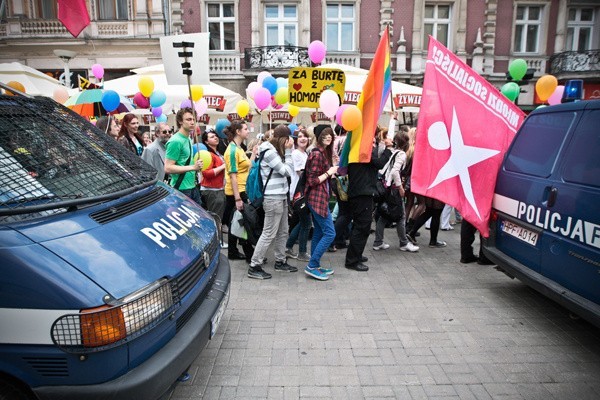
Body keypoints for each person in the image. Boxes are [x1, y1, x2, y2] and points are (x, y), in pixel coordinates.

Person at [248, 124, 296, 279]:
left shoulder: (274, 151)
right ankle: (255, 265)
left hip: (281, 196)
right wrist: (288, 152)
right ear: (282, 139)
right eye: (287, 140)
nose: (289, 143)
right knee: (269, 233)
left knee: (283, 231)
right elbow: (287, 171)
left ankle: (280, 261)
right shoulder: (269, 152)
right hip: (272, 198)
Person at [344, 127, 393, 272]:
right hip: (362, 194)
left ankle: (356, 255)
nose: (373, 143)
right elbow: (380, 163)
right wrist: (388, 148)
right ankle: (352, 261)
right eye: (371, 141)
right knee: (362, 227)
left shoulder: (357, 151)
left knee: (360, 226)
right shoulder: (362, 152)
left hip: (361, 193)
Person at [372, 132, 419, 253]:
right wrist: (400, 188)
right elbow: (394, 172)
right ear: (407, 143)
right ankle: (404, 243)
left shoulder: (393, 151)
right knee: (401, 216)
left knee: (384, 214)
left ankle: (378, 242)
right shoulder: (402, 154)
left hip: (386, 187)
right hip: (393, 189)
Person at [304, 125, 338, 281]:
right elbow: (311, 181)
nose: (329, 137)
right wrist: (328, 173)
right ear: (318, 137)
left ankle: (315, 264)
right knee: (330, 233)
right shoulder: (317, 154)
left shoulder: (323, 153)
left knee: (318, 232)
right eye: (325, 135)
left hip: (320, 198)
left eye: (330, 134)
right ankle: (311, 265)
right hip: (316, 199)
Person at [223, 119, 256, 263]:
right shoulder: (231, 150)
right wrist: (237, 198)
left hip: (242, 188)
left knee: (234, 222)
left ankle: (233, 251)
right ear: (238, 132)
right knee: (245, 221)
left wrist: (254, 154)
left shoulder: (239, 148)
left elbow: (247, 167)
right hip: (236, 191)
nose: (248, 131)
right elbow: (233, 176)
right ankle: (250, 255)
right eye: (245, 129)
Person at [164, 108, 203, 205]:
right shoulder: (175, 141)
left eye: (194, 119)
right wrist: (193, 167)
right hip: (181, 189)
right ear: (180, 121)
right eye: (189, 119)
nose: (192, 122)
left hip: (192, 187)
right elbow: (168, 168)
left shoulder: (188, 138)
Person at [285, 127, 311, 262]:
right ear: (296, 139)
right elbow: (301, 173)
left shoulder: (305, 153)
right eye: (300, 136)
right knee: (306, 223)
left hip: (303, 192)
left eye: (305, 136)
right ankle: (301, 252)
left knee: (302, 222)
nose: (303, 138)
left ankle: (288, 247)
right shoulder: (296, 154)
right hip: (298, 193)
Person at [200, 127, 227, 243]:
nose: (215, 137)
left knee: (218, 217)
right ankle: (216, 242)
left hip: (219, 189)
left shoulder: (218, 152)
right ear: (206, 141)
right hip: (212, 190)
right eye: (211, 137)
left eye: (215, 135)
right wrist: (222, 166)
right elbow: (206, 173)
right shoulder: (207, 154)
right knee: (215, 218)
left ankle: (217, 241)